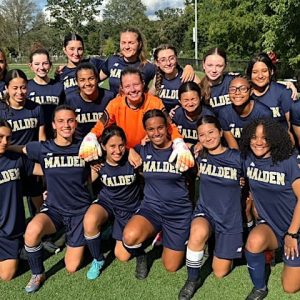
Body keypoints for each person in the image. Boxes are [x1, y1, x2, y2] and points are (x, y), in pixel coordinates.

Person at [21, 105, 93, 293]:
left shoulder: (84, 148)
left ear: (76, 123)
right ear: (53, 125)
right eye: (60, 121)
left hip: (79, 211)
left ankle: (85, 232)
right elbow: (22, 150)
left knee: (71, 266)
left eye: (70, 120)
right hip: (54, 209)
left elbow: (100, 166)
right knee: (31, 232)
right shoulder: (42, 148)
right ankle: (37, 273)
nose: (66, 125)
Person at [122, 109, 194, 279]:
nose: (156, 133)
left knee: (171, 266)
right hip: (151, 209)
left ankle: (164, 235)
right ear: (145, 131)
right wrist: (128, 149)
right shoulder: (142, 150)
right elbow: (113, 147)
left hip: (178, 213)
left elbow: (192, 183)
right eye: (151, 129)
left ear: (168, 128)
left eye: (160, 128)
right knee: (129, 237)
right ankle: (141, 256)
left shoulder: (181, 151)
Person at [178, 115, 244, 300]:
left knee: (220, 271)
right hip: (206, 211)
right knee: (198, 231)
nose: (207, 138)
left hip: (229, 218)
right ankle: (193, 279)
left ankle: (218, 244)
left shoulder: (237, 158)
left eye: (211, 132)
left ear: (220, 132)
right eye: (202, 135)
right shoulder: (197, 155)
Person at [79, 67, 194, 172]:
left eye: (136, 84)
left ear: (143, 84)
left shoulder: (155, 102)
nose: (133, 89)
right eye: (127, 86)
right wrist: (91, 136)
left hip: (149, 154)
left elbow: (170, 126)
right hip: (123, 154)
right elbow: (100, 126)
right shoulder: (115, 104)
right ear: (122, 88)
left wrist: (179, 143)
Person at [240, 118, 300, 299]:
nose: (258, 142)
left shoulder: (288, 162)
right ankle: (259, 288)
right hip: (272, 226)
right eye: (254, 137)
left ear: (274, 138)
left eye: (265, 138)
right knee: (254, 241)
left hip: (295, 228)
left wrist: (292, 234)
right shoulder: (247, 159)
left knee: (290, 287)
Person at [83, 125, 142, 280]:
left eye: (121, 145)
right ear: (103, 146)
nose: (117, 150)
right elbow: (82, 183)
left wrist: (132, 150)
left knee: (122, 256)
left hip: (129, 208)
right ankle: (98, 259)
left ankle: (113, 229)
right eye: (112, 146)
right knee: (90, 220)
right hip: (107, 202)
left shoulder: (132, 158)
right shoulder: (98, 163)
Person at [100, 28, 194, 98]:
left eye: (131, 43)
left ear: (139, 44)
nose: (127, 46)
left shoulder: (148, 66)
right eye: (123, 43)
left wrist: (187, 67)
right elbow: (93, 80)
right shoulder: (112, 60)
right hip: (114, 110)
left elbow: (167, 67)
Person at [0, 69, 45, 211]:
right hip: (9, 162)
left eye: (23, 87)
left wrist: (40, 159)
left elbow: (41, 138)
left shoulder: (36, 108)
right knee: (12, 204)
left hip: (30, 161)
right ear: (6, 88)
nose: (20, 92)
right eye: (15, 88)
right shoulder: (1, 110)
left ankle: (43, 228)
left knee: (39, 202)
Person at [0, 119, 39, 281]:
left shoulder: (16, 158)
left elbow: (47, 169)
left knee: (7, 275)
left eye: (8, 138)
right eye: (0, 137)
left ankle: (19, 248)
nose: (5, 142)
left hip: (10, 231)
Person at [218, 77, 272, 149]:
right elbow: (233, 146)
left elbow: (264, 144)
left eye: (243, 89)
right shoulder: (224, 113)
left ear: (251, 91)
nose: (237, 93)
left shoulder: (264, 113)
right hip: (236, 155)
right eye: (233, 89)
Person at [246, 52, 295, 133]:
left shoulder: (283, 92)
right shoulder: (244, 94)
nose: (260, 76)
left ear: (271, 71)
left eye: (264, 71)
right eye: (255, 72)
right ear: (250, 74)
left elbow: (292, 128)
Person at [65, 62, 114, 140]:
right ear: (77, 82)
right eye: (82, 80)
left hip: (104, 144)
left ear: (97, 79)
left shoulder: (109, 97)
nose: (87, 83)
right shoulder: (70, 99)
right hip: (79, 144)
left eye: (91, 78)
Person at [27, 44, 65, 139]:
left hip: (54, 136)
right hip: (32, 137)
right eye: (37, 64)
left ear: (50, 64)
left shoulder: (58, 86)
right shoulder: (26, 87)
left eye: (45, 63)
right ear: (30, 66)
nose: (42, 67)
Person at [149, 44, 200, 112]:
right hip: (165, 119)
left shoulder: (187, 75)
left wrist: (181, 108)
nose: (168, 63)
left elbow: (203, 97)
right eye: (163, 60)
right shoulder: (158, 77)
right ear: (157, 63)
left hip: (183, 119)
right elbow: (149, 99)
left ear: (176, 58)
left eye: (171, 58)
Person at [171, 82, 214, 149]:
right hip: (181, 150)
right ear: (180, 101)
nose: (190, 103)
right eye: (186, 100)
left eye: (193, 99)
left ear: (200, 98)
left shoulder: (208, 115)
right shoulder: (176, 115)